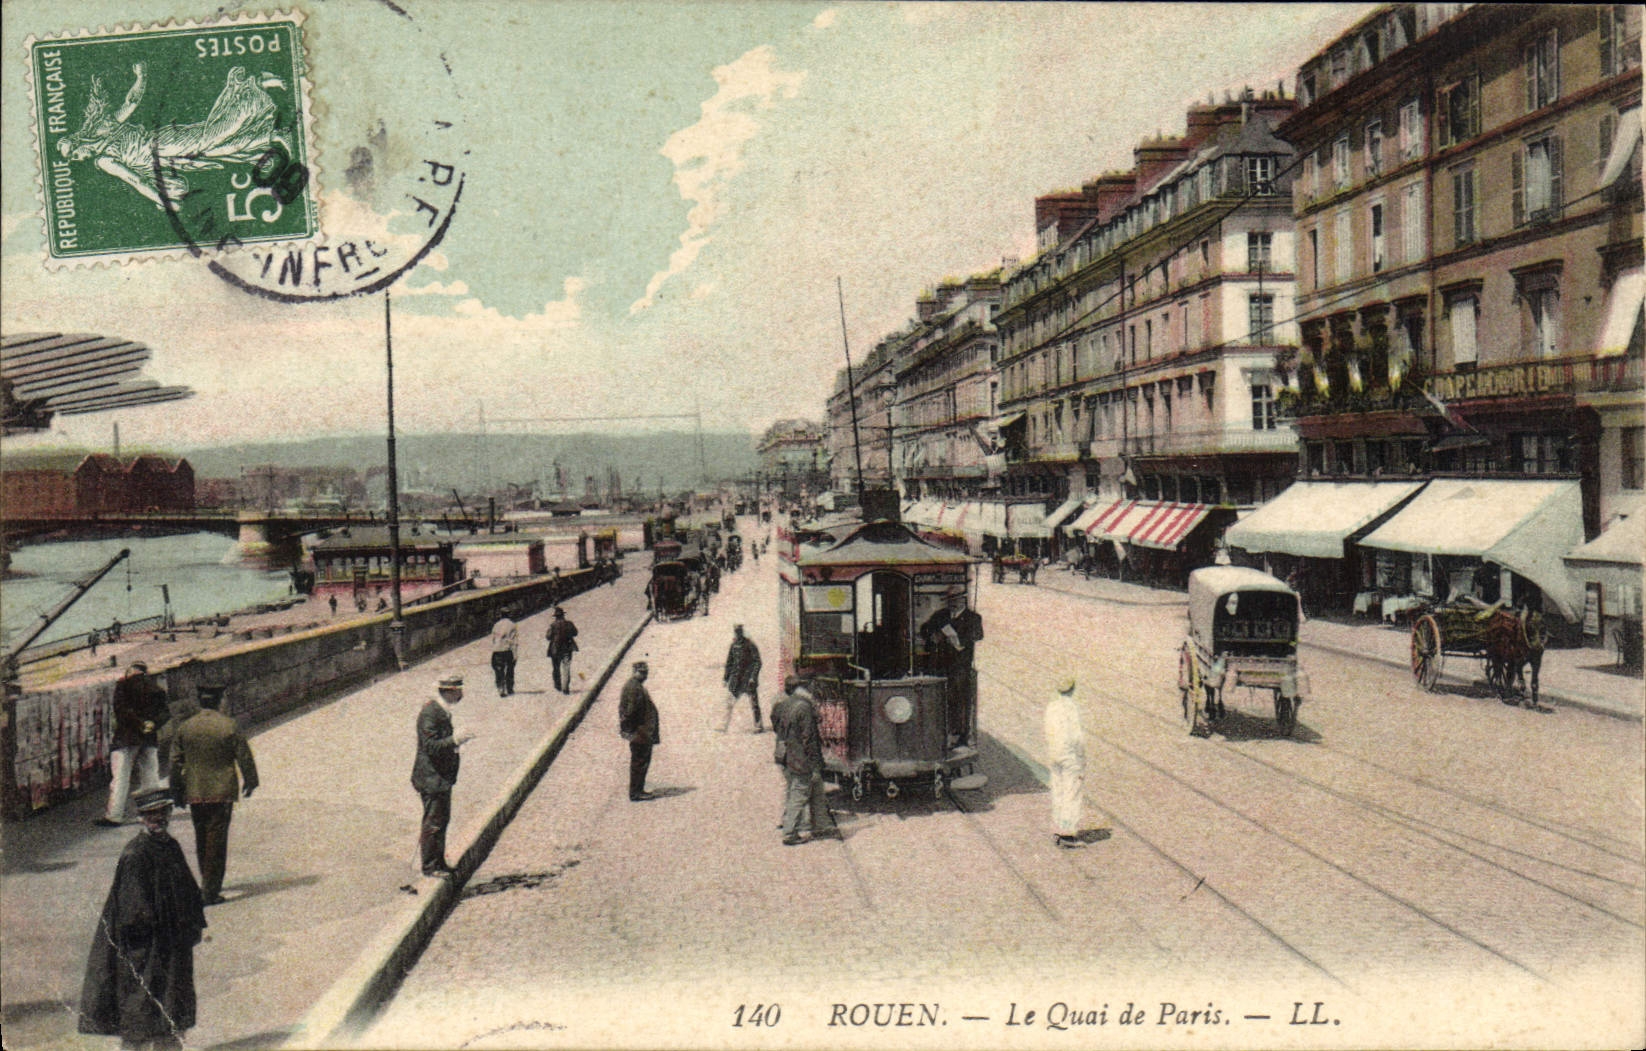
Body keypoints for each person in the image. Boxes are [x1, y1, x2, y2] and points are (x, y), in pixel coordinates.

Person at [78, 788, 207, 1051]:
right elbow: (131, 910)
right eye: (151, 814)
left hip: (169, 942)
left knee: (170, 1003)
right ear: (141, 818)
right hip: (143, 946)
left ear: (169, 813)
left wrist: (191, 924)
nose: (158, 819)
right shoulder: (135, 854)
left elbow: (188, 889)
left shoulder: (170, 845)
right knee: (140, 1006)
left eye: (162, 812)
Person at [170, 685, 259, 905]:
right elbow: (244, 757)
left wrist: (176, 792)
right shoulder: (229, 725)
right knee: (216, 841)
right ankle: (210, 891)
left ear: (200, 701)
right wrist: (251, 781)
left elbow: (174, 763)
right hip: (222, 792)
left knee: (201, 838)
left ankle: (206, 882)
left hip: (195, 791)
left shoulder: (185, 727)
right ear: (220, 700)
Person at [412, 674, 473, 876]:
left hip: (440, 777)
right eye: (459, 690)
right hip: (431, 777)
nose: (462, 694)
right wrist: (455, 740)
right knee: (433, 822)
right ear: (449, 691)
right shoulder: (431, 713)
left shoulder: (441, 710)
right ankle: (430, 866)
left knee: (441, 819)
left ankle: (439, 863)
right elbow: (430, 746)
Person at [769, 676, 839, 846]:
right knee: (799, 793)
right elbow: (810, 738)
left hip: (788, 755)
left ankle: (821, 826)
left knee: (816, 789)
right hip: (802, 758)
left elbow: (775, 721)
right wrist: (817, 762)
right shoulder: (804, 708)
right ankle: (790, 832)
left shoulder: (785, 703)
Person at [99, 662, 170, 827]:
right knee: (150, 776)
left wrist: (139, 723)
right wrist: (151, 724)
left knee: (121, 778)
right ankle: (150, 813)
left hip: (126, 738)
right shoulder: (156, 688)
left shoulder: (123, 686)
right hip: (149, 738)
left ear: (130, 671)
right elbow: (165, 713)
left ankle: (114, 815)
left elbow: (121, 711)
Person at [919, 584, 984, 746]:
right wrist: (934, 635)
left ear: (963, 600)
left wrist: (958, 638)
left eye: (956, 600)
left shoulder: (973, 618)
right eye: (950, 600)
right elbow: (924, 629)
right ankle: (937, 732)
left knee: (959, 700)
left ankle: (960, 735)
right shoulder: (941, 615)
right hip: (939, 665)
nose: (953, 603)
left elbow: (977, 635)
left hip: (960, 667)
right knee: (937, 698)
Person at [1044, 677, 1086, 850]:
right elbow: (1077, 737)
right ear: (1073, 689)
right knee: (1072, 792)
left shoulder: (1051, 707)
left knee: (1058, 790)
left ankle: (1057, 827)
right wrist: (1082, 757)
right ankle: (1068, 832)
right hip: (1070, 757)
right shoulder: (1072, 708)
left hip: (1054, 754)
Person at [617, 661, 659, 801]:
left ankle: (638, 790)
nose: (645, 675)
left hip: (640, 733)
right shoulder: (633, 688)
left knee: (640, 762)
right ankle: (636, 792)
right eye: (641, 672)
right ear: (634, 671)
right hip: (640, 733)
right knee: (639, 763)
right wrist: (631, 732)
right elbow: (629, 712)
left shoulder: (634, 686)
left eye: (646, 673)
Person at [720, 625, 764, 733]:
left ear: (742, 632)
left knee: (754, 704)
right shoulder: (734, 646)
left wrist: (753, 677)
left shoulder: (750, 645)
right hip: (736, 680)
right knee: (729, 702)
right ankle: (723, 725)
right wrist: (725, 678)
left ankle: (758, 725)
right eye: (736, 632)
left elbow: (757, 662)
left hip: (748, 680)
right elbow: (729, 663)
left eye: (739, 632)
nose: (738, 634)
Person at [545, 607, 579, 695]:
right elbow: (575, 633)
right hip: (567, 648)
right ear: (563, 615)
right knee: (566, 667)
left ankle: (558, 685)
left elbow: (548, 637)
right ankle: (565, 687)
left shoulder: (553, 625)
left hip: (555, 649)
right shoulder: (569, 624)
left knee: (556, 668)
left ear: (556, 616)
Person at [489, 610, 519, 697]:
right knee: (510, 669)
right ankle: (509, 688)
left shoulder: (496, 625)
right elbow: (514, 640)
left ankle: (501, 688)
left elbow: (493, 639)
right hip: (507, 649)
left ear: (500, 615)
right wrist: (515, 653)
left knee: (499, 670)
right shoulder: (512, 625)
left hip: (497, 650)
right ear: (509, 614)